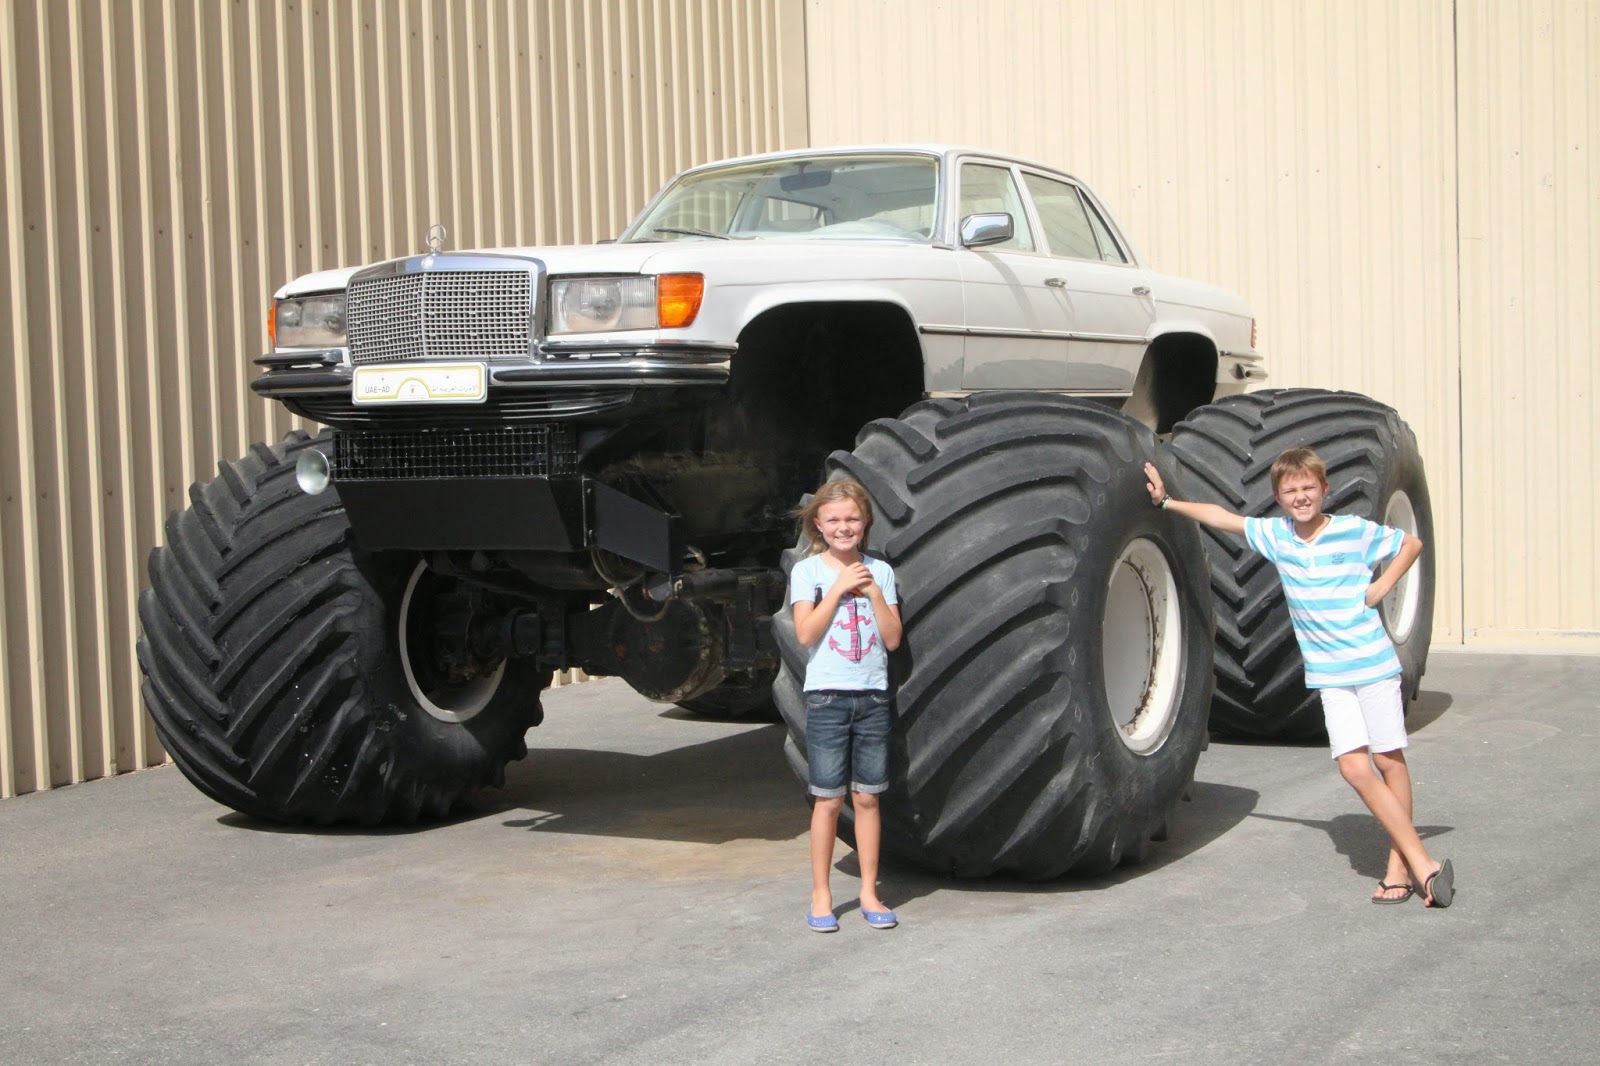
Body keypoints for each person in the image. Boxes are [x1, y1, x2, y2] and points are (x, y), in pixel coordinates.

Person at [1143, 448, 1455, 908]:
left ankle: (1402, 866)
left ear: (1324, 490)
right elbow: (1221, 517)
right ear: (1278, 498)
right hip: (1329, 673)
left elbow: (1410, 544)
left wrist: (1381, 587)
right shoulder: (1276, 537)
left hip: (1372, 665)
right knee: (1353, 767)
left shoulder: (1352, 531)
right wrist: (1168, 503)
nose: (1301, 497)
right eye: (1291, 491)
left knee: (1388, 762)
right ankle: (1423, 863)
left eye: (1309, 488)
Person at [790, 478, 904, 932]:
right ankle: (821, 895)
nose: (844, 527)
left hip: (872, 697)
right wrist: (838, 589)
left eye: (852, 518)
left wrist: (873, 591)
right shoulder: (809, 573)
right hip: (827, 698)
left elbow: (892, 639)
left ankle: (870, 890)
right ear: (819, 524)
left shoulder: (882, 571)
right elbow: (804, 634)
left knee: (868, 799)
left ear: (865, 523)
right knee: (829, 801)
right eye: (834, 519)